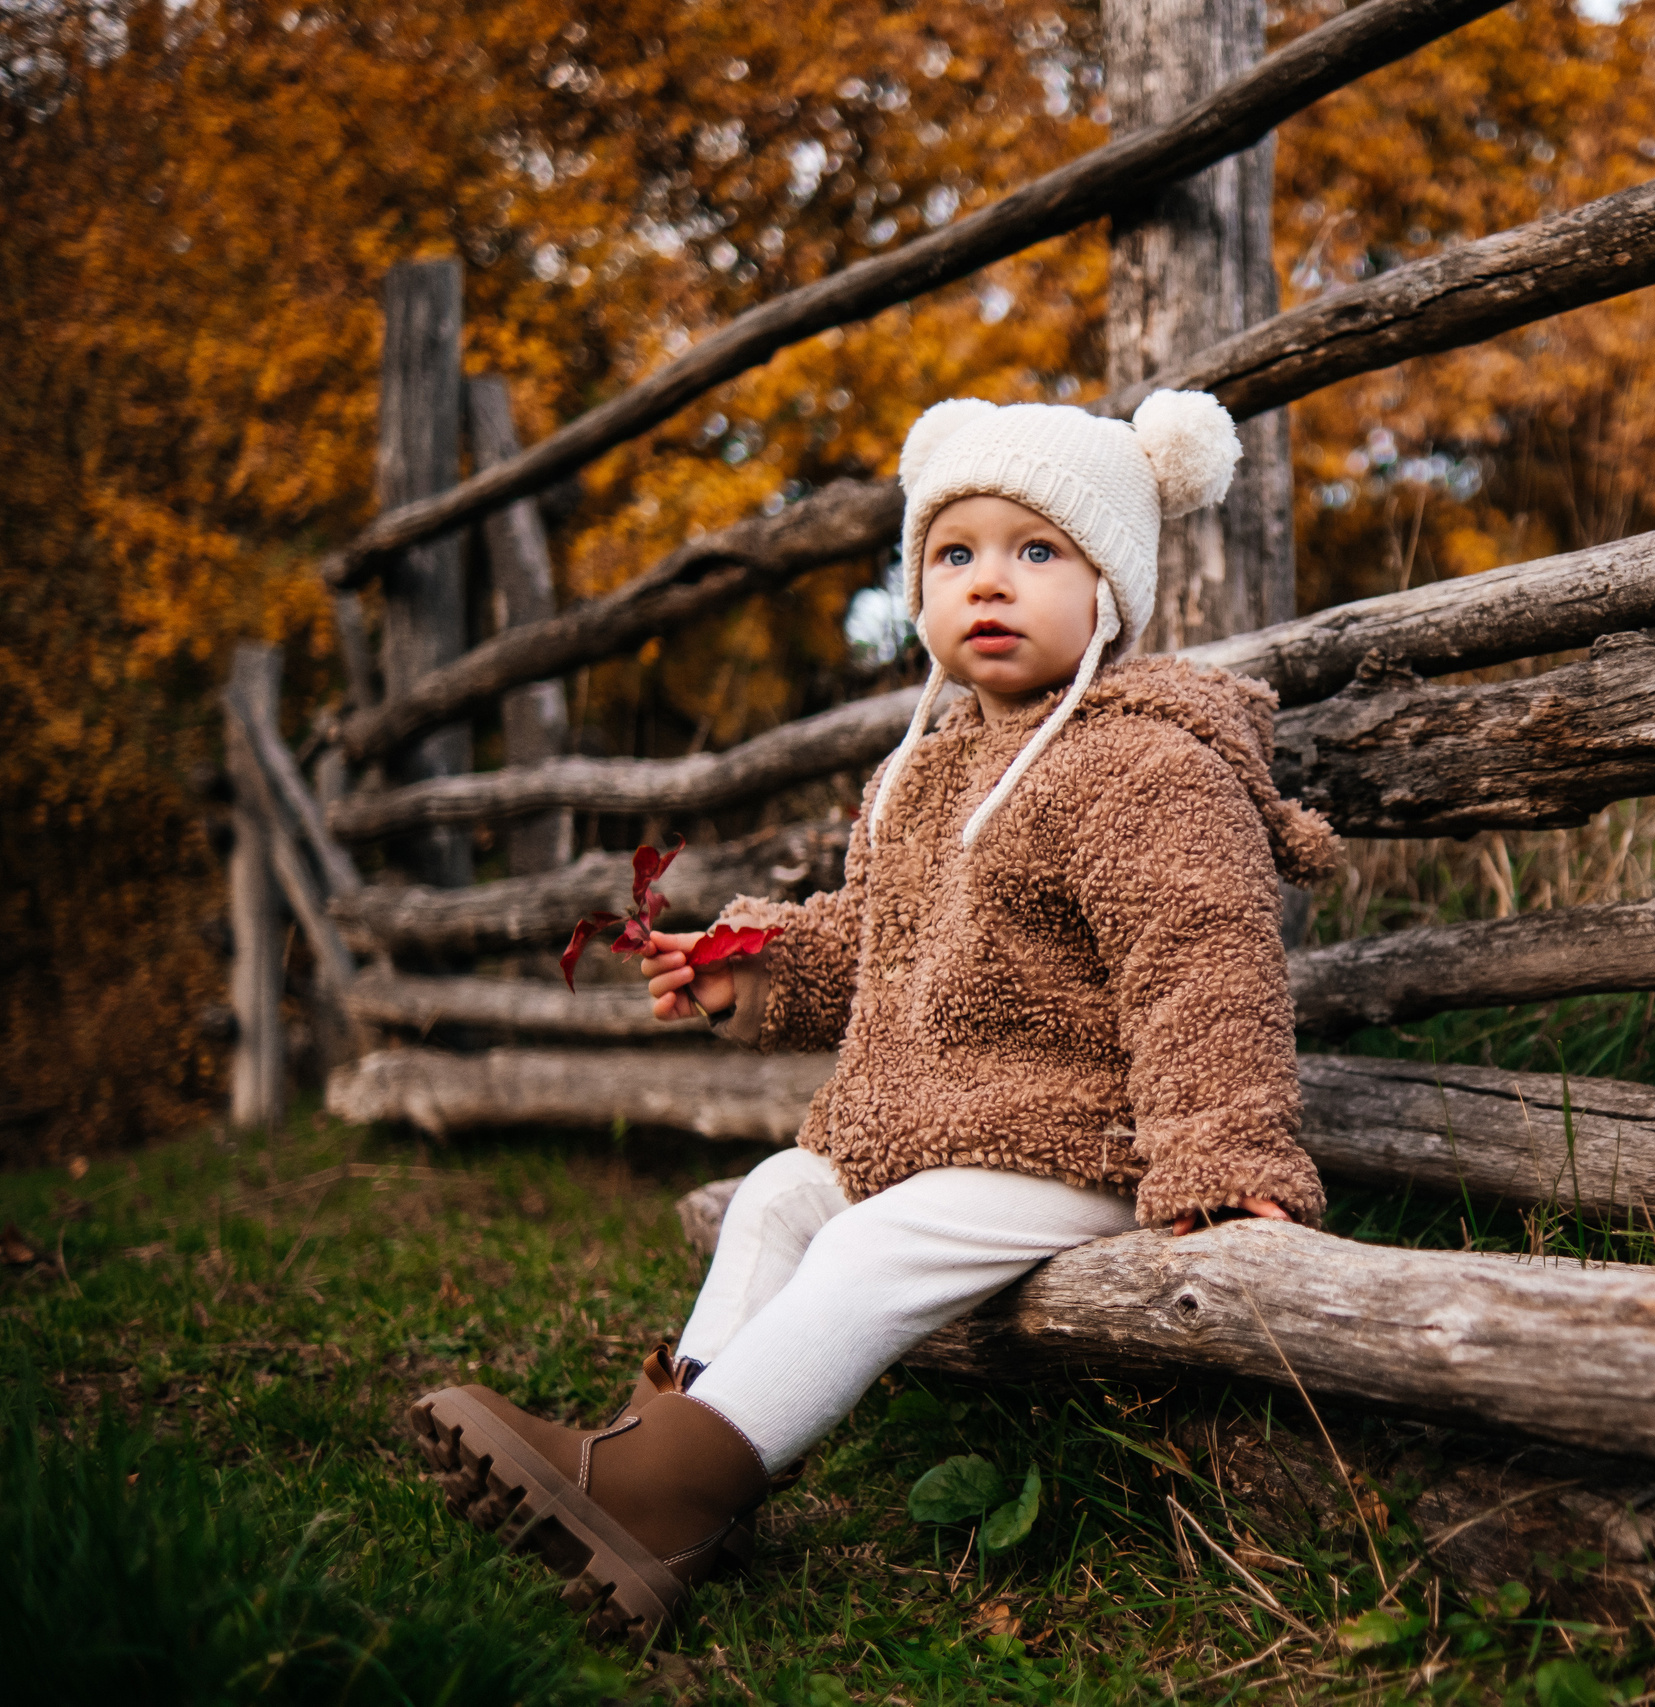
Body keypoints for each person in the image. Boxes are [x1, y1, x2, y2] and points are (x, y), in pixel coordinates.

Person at [406, 390, 1339, 1640]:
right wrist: (759, 970)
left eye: (1036, 550)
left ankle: (658, 1496)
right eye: (955, 554)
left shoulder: (1148, 768)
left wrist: (1223, 1164)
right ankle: (660, 1468)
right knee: (784, 1194)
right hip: (954, 1135)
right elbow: (876, 939)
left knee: (857, 1251)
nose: (988, 582)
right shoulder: (926, 769)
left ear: (1111, 583)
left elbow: (1204, 974)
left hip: (1092, 1142)